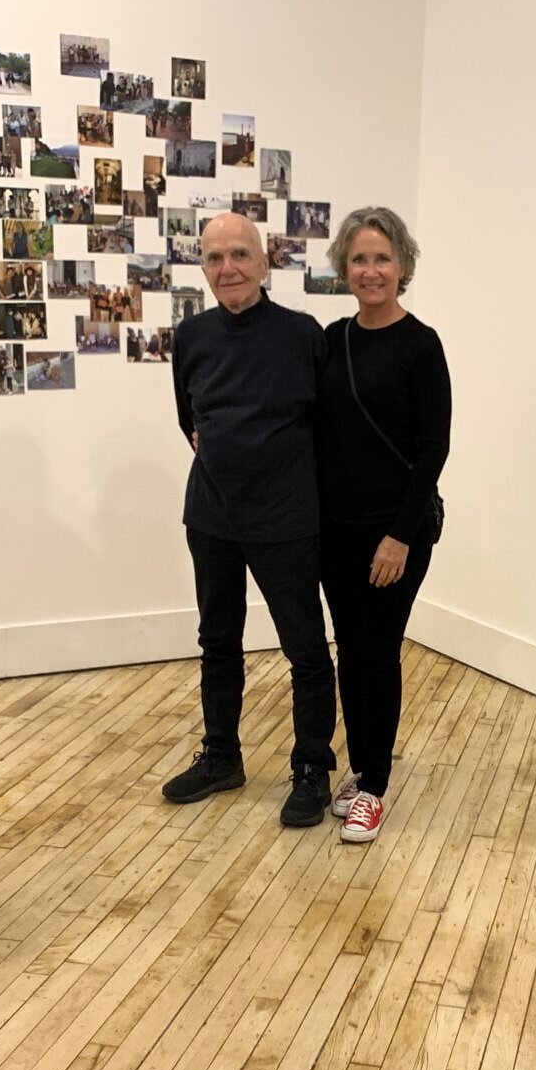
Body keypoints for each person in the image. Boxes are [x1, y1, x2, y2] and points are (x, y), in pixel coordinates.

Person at [163, 212, 335, 826]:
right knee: (217, 641)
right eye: (214, 258)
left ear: (264, 263)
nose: (226, 268)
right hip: (211, 515)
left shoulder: (303, 334)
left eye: (239, 255)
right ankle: (222, 756)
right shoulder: (192, 336)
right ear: (202, 267)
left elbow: (326, 426)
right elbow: (190, 418)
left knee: (306, 649)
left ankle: (312, 768)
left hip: (287, 519)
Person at [315, 206, 450, 843]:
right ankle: (363, 760)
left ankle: (374, 785)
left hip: (395, 533)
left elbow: (433, 450)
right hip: (335, 530)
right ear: (345, 266)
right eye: (360, 258)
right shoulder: (333, 338)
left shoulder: (421, 345)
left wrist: (399, 535)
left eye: (383, 259)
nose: (371, 270)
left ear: (403, 267)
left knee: (379, 652)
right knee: (350, 651)